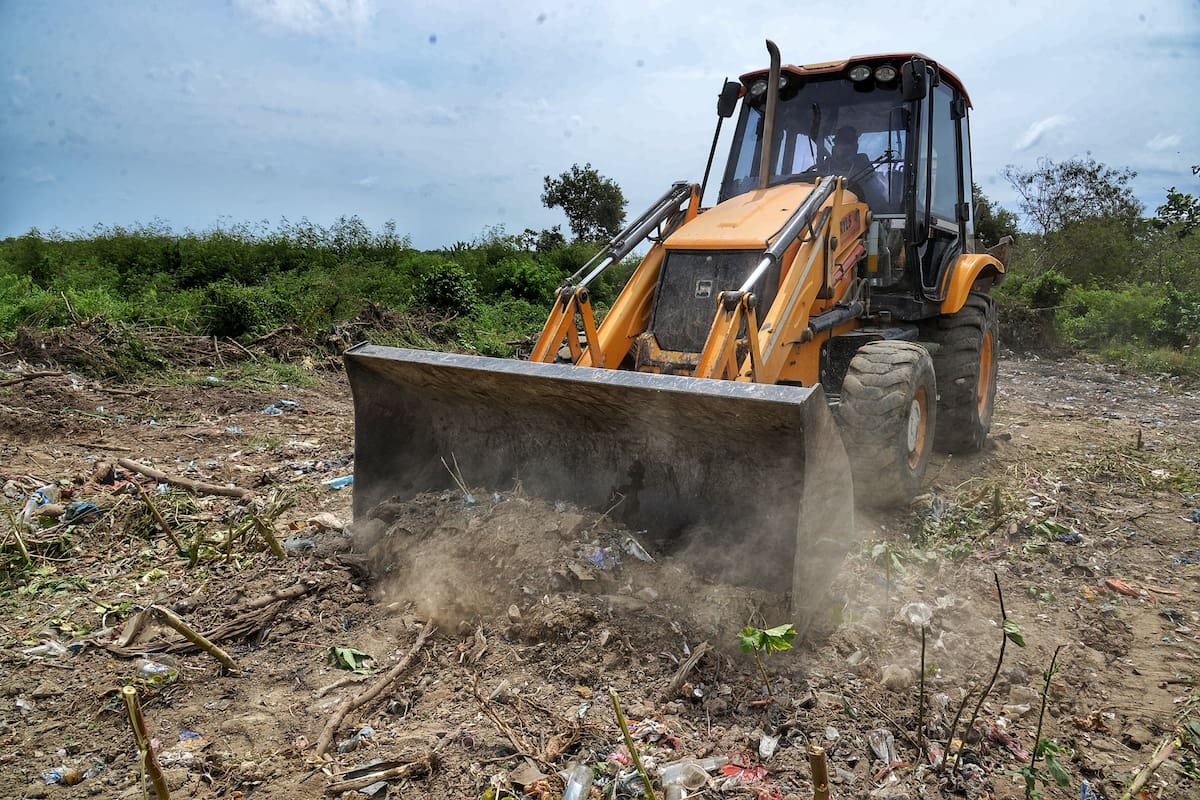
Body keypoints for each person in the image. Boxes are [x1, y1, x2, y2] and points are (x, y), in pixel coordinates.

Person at [816, 125, 888, 209]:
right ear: (835, 146)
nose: (846, 147)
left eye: (849, 142)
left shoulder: (866, 174)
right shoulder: (823, 169)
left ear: (855, 147)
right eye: (842, 142)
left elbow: (878, 205)